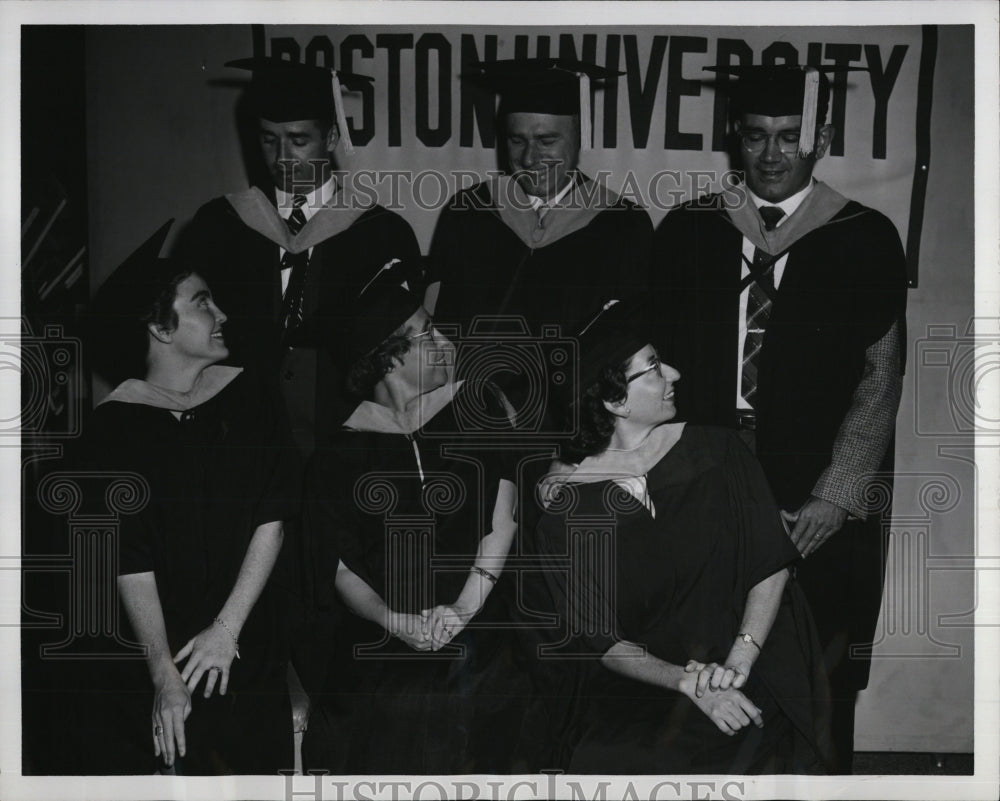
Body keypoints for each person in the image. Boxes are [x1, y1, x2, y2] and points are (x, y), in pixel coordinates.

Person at [652, 65, 907, 772]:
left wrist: (839, 490)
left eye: (790, 137)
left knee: (818, 664)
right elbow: (655, 370)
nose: (772, 153)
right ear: (737, 136)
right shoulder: (688, 230)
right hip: (707, 479)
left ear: (821, 137)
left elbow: (879, 378)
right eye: (758, 135)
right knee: (704, 656)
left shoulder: (865, 238)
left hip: (812, 485)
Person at [536, 299, 830, 774]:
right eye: (653, 368)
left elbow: (771, 565)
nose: (674, 373)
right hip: (656, 681)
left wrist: (734, 666)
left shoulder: (718, 450)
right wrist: (689, 684)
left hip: (756, 654)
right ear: (615, 401)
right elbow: (602, 641)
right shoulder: (566, 515)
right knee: (615, 761)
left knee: (747, 748)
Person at [85, 222, 300, 774]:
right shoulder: (110, 431)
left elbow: (272, 517)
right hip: (165, 654)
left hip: (249, 645)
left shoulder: (252, 396)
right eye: (203, 303)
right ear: (160, 325)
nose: (220, 314)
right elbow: (127, 558)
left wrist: (227, 630)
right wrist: (162, 674)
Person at [300, 266, 528, 773]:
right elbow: (341, 567)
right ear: (387, 358)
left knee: (480, 693)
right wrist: (391, 620)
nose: (444, 341)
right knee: (379, 713)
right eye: (427, 333)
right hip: (385, 631)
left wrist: (465, 608)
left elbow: (502, 521)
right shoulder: (338, 456)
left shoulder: (478, 408)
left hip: (480, 615)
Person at [176, 56, 421, 455]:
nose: (282, 158)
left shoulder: (381, 235)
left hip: (347, 442)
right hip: (242, 436)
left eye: (298, 139)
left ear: (331, 139)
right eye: (269, 139)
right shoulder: (220, 226)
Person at [425, 57, 653, 428]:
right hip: (469, 421)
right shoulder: (468, 213)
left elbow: (625, 345)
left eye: (547, 140)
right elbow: (438, 329)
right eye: (517, 140)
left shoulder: (621, 225)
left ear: (578, 136)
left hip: (573, 427)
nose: (530, 158)